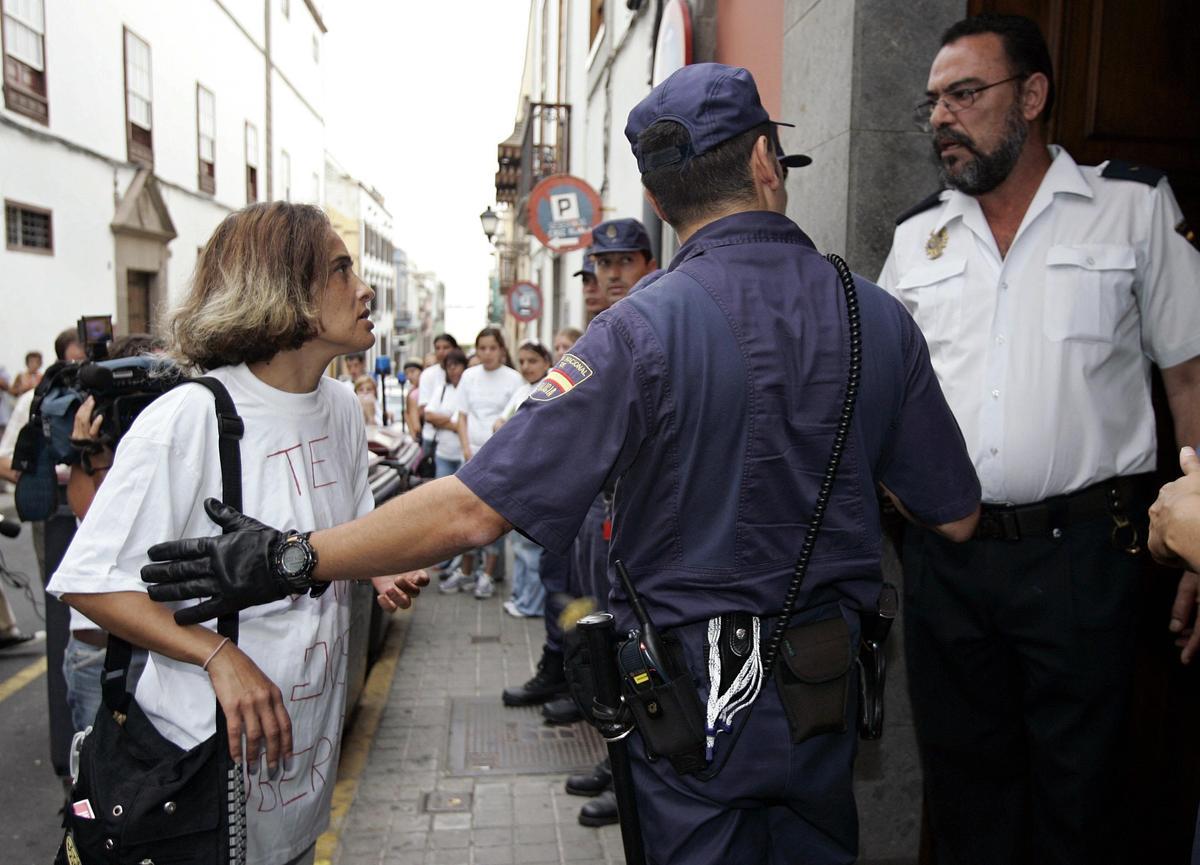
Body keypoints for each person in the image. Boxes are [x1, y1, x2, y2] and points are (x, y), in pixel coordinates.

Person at [141, 63, 981, 865]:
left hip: (695, 706)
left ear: (655, 198)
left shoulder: (640, 332)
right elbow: (954, 511)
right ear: (767, 159)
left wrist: (294, 555)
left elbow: (474, 509)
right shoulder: (877, 316)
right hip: (823, 693)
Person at [876, 14, 1200, 865]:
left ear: (1033, 94)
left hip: (1085, 557)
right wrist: (898, 496)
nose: (943, 116)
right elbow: (881, 398)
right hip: (949, 563)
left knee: (1082, 798)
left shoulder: (1132, 208)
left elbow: (1189, 380)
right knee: (966, 797)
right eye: (933, 102)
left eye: (964, 94)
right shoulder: (917, 239)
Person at [47, 202, 426, 865]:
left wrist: (378, 566)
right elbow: (89, 584)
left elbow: (348, 523)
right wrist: (219, 656)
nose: (364, 289)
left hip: (301, 773)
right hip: (198, 780)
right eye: (340, 270)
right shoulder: (190, 416)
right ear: (282, 292)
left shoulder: (339, 405)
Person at [61, 333, 164, 733]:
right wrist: (92, 453)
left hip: (168, 656)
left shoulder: (178, 437)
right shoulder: (95, 448)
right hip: (100, 653)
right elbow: (101, 522)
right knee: (98, 786)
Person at [440, 327, 522, 599]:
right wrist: (465, 448)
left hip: (499, 459)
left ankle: (487, 574)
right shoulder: (469, 376)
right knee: (464, 516)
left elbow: (517, 420)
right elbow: (462, 416)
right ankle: (465, 570)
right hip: (471, 456)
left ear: (502, 349)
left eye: (492, 348)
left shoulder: (514, 379)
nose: (487, 354)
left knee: (492, 517)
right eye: (482, 348)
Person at [494, 341, 552, 619]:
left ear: (545, 361)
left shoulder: (552, 387)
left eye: (532, 361)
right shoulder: (522, 389)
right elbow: (500, 423)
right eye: (522, 361)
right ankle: (521, 598)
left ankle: (532, 604)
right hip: (517, 477)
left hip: (538, 479)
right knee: (519, 546)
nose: (526, 366)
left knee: (530, 549)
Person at [422, 348, 467, 479]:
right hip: (443, 454)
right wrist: (455, 425)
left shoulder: (470, 389)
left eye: (456, 365)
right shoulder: (442, 390)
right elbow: (429, 416)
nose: (453, 369)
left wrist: (440, 422)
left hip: (464, 455)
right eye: (449, 366)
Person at [416, 334, 459, 461]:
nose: (441, 352)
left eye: (446, 347)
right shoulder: (428, 374)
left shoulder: (464, 374)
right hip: (432, 437)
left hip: (457, 443)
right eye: (438, 348)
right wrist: (455, 423)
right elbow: (425, 413)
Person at [402, 360, 423, 439]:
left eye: (412, 371)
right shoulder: (413, 392)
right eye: (406, 373)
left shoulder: (414, 393)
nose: (409, 376)